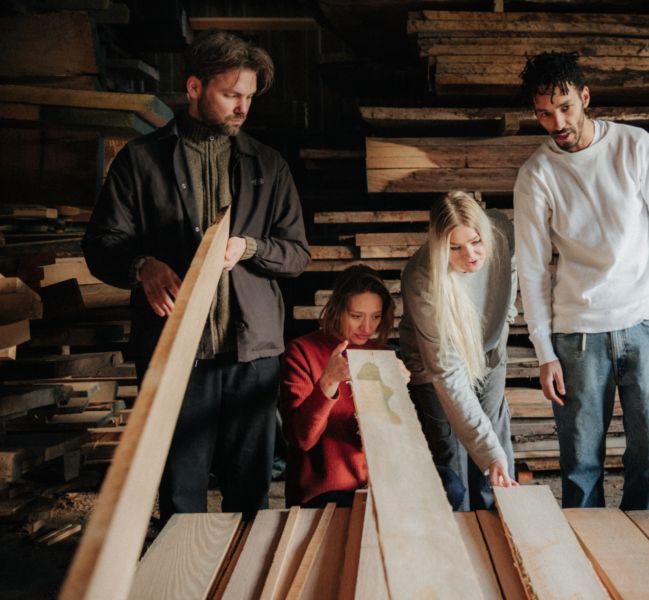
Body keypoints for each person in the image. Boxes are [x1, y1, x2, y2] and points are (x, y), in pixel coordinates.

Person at [83, 31, 310, 522]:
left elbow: (296, 255)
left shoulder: (269, 167)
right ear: (193, 87)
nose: (242, 108)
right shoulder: (141, 161)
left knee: (250, 497)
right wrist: (141, 265)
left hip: (252, 357)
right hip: (173, 355)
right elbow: (100, 246)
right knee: (179, 495)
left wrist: (250, 247)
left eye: (248, 97)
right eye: (231, 94)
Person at [513, 52, 649, 510]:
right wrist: (544, 353)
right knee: (580, 464)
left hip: (646, 323)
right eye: (544, 113)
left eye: (565, 107)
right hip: (576, 336)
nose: (557, 121)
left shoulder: (635, 146)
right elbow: (532, 269)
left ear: (585, 97)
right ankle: (588, 553)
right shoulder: (536, 175)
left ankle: (642, 542)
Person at [280, 265, 444, 507]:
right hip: (325, 491)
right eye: (356, 316)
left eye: (375, 317)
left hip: (380, 485)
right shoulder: (302, 351)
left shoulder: (382, 353)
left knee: (451, 485)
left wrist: (399, 397)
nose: (367, 327)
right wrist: (327, 383)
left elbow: (394, 442)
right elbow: (301, 439)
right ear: (337, 310)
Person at [400, 191, 519, 511]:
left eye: (476, 241)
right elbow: (447, 373)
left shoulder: (499, 230)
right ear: (440, 246)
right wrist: (487, 452)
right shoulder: (422, 279)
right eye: (455, 247)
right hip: (436, 364)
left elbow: (511, 265)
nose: (471, 255)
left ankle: (501, 524)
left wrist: (506, 313)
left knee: (497, 445)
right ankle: (460, 533)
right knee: (454, 453)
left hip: (489, 354)